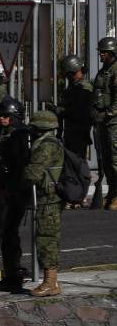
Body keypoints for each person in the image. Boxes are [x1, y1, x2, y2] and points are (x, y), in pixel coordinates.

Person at [22, 110, 64, 297]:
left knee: (46, 239)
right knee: (46, 238)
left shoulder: (46, 146)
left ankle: (50, 283)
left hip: (48, 199)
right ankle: (51, 281)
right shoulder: (48, 143)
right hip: (47, 198)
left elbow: (33, 173)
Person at [0, 97, 30, 290]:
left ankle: (14, 272)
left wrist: (15, 188)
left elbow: (21, 165)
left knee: (9, 231)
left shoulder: (21, 135)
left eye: (6, 116)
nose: (2, 119)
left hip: (16, 190)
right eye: (0, 116)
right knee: (1, 232)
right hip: (1, 189)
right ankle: (11, 270)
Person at [91, 36, 117, 210]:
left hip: (113, 122)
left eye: (103, 52)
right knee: (106, 160)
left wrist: (108, 114)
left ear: (111, 53)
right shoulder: (103, 71)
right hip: (102, 121)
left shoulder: (115, 70)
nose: (100, 54)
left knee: (115, 159)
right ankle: (112, 193)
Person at [57, 55, 93, 160]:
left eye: (68, 73)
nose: (67, 76)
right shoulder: (73, 86)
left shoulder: (84, 88)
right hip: (71, 132)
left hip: (79, 133)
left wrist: (61, 111)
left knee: (77, 163)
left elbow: (79, 112)